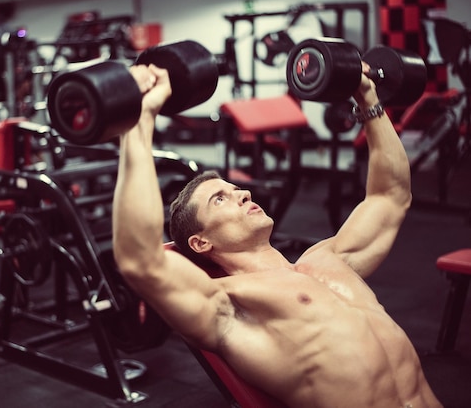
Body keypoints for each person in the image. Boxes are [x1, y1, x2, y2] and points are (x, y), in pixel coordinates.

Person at [112, 62, 442, 407]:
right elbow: (141, 260)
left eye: (235, 188)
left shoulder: (328, 259)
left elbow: (389, 196)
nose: (243, 194)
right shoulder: (228, 305)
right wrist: (138, 122)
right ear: (201, 242)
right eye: (220, 199)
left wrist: (367, 96)